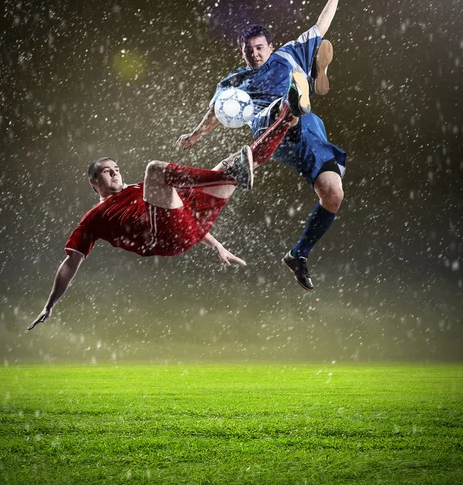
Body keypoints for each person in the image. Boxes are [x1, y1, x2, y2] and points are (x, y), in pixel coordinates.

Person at [28, 102, 302, 330]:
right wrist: (50, 303)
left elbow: (177, 209)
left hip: (190, 224)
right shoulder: (94, 217)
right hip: (164, 237)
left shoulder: (140, 190)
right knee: (155, 170)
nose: (115, 172)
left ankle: (286, 119)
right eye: (106, 171)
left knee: (237, 159)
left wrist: (218, 246)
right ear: (94, 182)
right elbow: (71, 262)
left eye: (116, 167)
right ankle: (229, 175)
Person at [176, 0, 350, 291]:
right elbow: (216, 111)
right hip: (269, 128)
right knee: (284, 110)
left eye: (259, 48)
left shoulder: (287, 54)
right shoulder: (236, 80)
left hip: (308, 133)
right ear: (242, 53)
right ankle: (295, 99)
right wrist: (196, 135)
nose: (255, 54)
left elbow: (320, 25)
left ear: (270, 46)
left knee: (333, 194)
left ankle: (298, 255)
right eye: (248, 50)